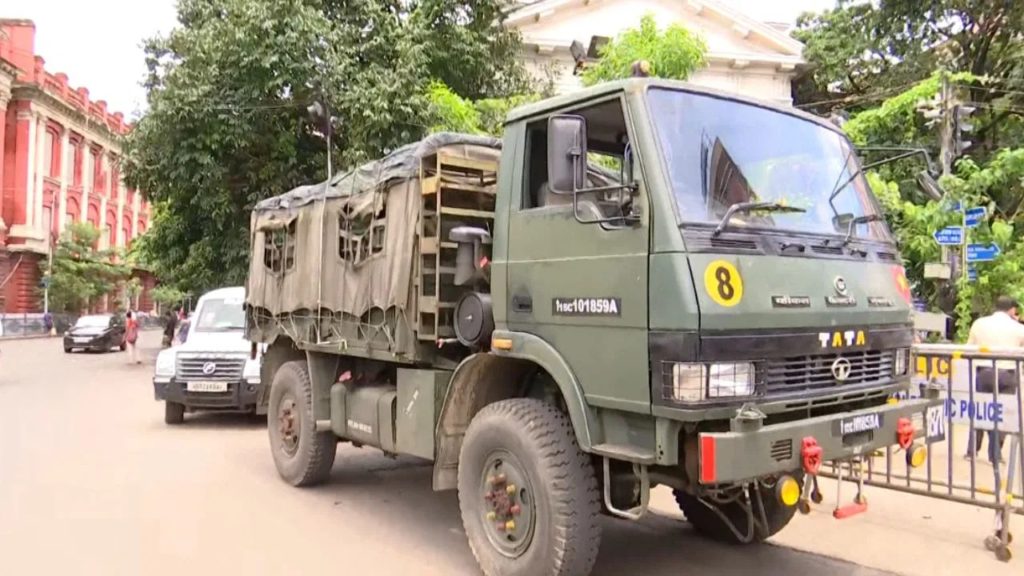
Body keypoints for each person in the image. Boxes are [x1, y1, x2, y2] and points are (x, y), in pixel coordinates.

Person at [965, 295, 1024, 463]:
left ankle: (972, 451)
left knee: (980, 410)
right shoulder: (1018, 327)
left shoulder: (980, 323)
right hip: (1007, 373)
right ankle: (995, 455)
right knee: (1002, 413)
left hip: (984, 372)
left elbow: (969, 348)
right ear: (1012, 310)